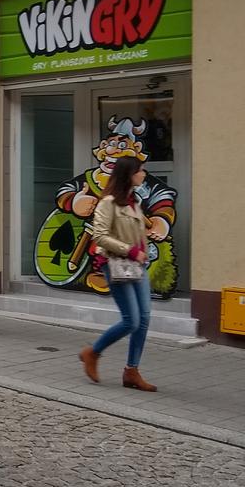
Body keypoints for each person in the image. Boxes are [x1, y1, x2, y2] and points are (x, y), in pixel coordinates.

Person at [79, 156, 157, 391]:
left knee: (143, 319)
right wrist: (131, 251)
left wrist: (142, 252)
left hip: (136, 266)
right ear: (129, 174)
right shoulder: (108, 203)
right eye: (141, 171)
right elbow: (100, 236)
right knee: (131, 320)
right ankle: (92, 352)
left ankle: (132, 371)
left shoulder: (134, 202)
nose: (144, 174)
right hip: (115, 265)